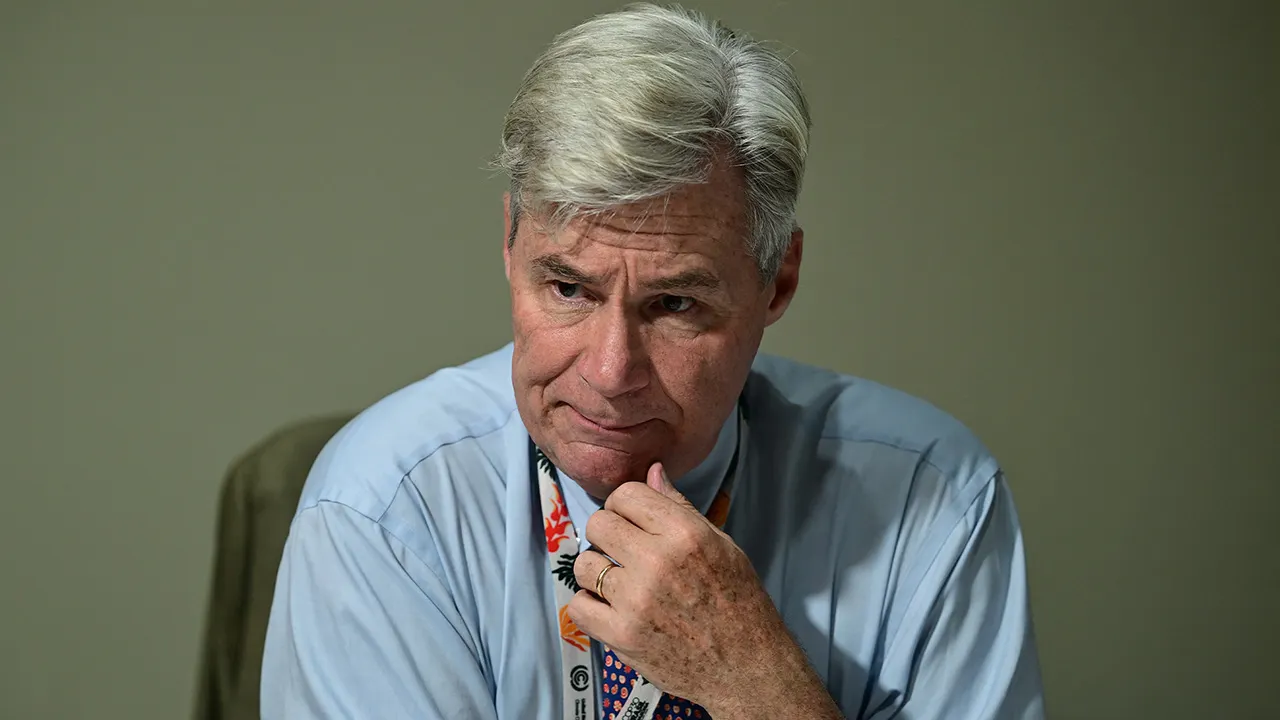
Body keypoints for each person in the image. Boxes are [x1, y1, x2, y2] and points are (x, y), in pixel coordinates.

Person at [261, 4, 1046, 719]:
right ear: (509, 245)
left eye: (674, 304)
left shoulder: (932, 500)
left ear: (778, 282)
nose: (610, 373)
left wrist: (758, 687)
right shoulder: (386, 510)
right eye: (569, 288)